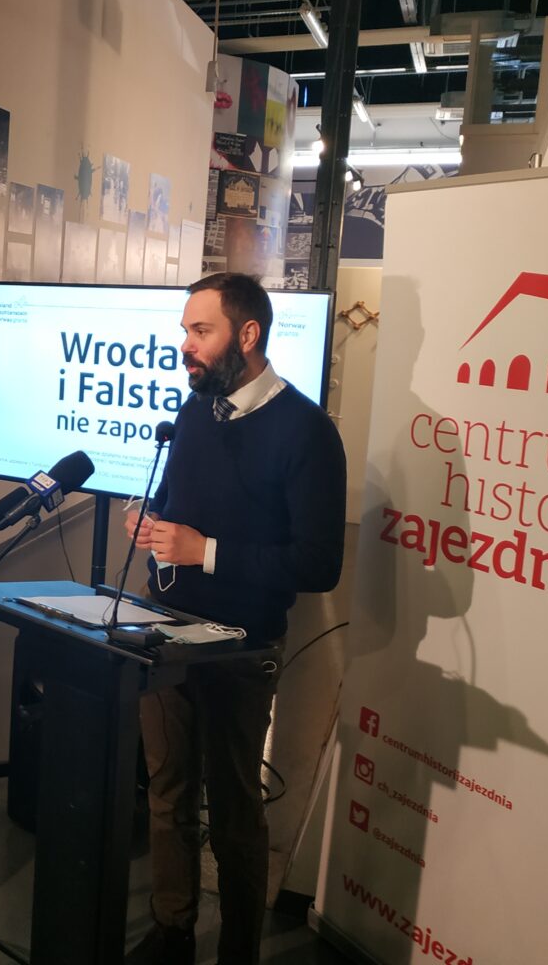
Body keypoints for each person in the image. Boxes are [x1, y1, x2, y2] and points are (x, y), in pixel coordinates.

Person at [124, 273, 346, 965]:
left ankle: (238, 950)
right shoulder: (196, 411)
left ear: (247, 335)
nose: (184, 346)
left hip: (242, 650)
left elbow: (318, 564)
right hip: (165, 631)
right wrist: (151, 522)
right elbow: (176, 500)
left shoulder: (307, 431)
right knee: (167, 793)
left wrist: (205, 551)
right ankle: (173, 931)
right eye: (185, 331)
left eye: (201, 331)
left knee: (233, 807)